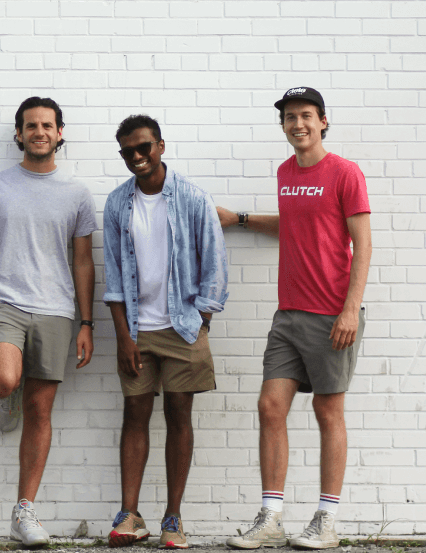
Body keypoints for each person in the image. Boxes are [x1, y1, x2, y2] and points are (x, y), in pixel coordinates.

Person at [222, 87, 372, 550]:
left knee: (328, 411)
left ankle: (326, 520)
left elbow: (362, 245)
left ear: (323, 121)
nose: (298, 124)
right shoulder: (286, 172)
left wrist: (349, 308)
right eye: (290, 117)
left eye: (306, 115)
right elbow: (294, 223)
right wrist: (242, 219)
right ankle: (271, 517)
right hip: (288, 313)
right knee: (271, 407)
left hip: (332, 313)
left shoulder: (345, 173)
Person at [0, 97, 97, 546]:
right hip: (2, 302)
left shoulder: (77, 194)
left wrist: (86, 322)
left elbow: (84, 262)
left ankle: (24, 512)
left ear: (59, 133)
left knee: (41, 410)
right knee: (1, 378)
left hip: (56, 309)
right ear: (19, 134)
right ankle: (5, 394)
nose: (39, 131)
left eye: (47, 125)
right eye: (30, 125)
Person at [103, 115, 228, 550]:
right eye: (127, 152)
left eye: (143, 148)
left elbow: (215, 266)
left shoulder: (193, 199)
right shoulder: (118, 203)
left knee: (179, 416)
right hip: (138, 330)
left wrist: (202, 322)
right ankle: (130, 515)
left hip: (183, 327)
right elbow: (115, 277)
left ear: (160, 145)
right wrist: (123, 336)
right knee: (134, 415)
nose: (136, 157)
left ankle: (173, 519)